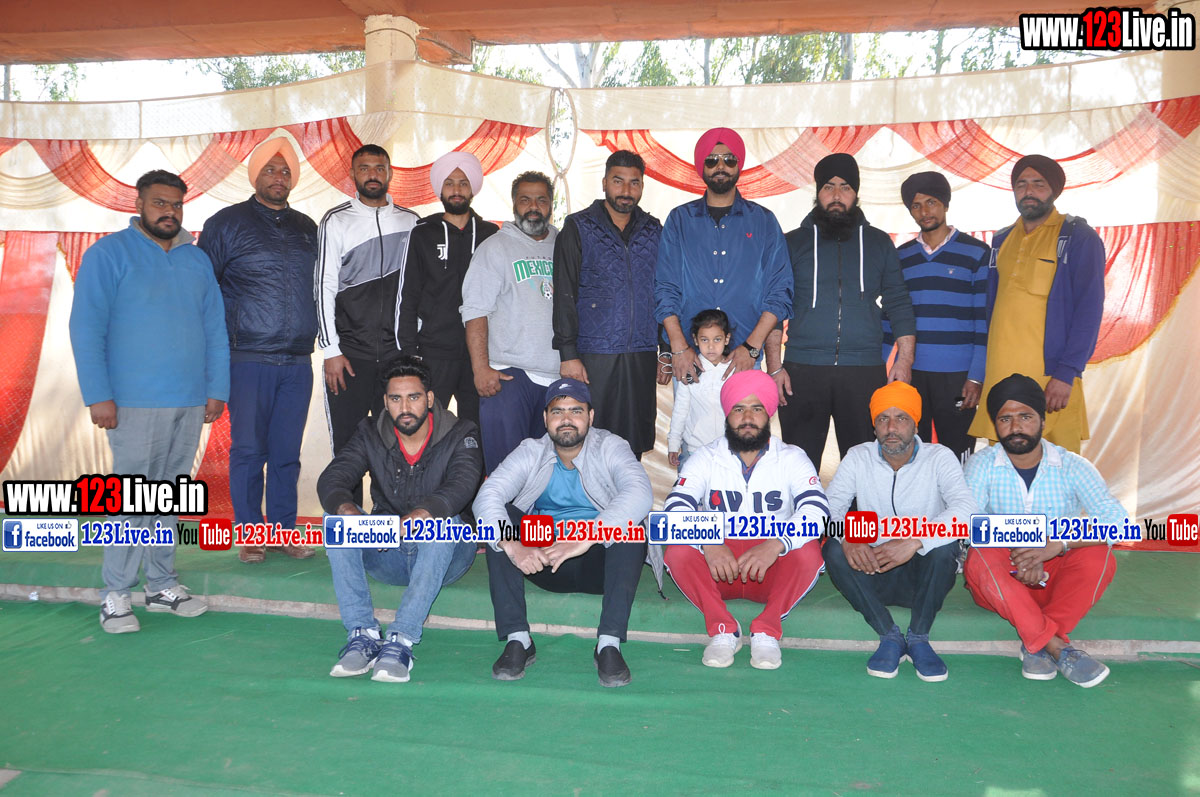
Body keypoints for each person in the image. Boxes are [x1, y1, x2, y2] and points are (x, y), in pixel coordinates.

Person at [69, 169, 229, 632]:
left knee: (168, 499)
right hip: (132, 403)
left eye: (176, 204)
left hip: (189, 401)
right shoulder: (108, 254)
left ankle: (161, 585)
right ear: (138, 204)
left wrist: (216, 389)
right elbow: (86, 328)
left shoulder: (196, 260)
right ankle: (116, 594)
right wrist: (99, 395)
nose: (169, 212)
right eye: (160, 203)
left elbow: (215, 329)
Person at [473, 378, 652, 687]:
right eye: (557, 411)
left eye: (576, 411)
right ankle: (518, 639)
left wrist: (586, 537)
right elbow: (488, 495)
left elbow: (640, 493)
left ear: (590, 417)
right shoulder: (531, 450)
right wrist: (512, 544)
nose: (566, 419)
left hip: (598, 558)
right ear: (545, 419)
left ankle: (608, 644)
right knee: (501, 520)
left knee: (631, 528)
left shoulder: (611, 446)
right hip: (543, 556)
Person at [316, 357, 481, 683]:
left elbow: (462, 484)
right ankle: (362, 633)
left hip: (446, 557)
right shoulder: (369, 432)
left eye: (413, 397)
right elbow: (333, 478)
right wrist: (347, 510)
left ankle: (401, 640)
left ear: (429, 399)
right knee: (335, 521)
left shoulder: (461, 433)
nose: (404, 407)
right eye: (395, 398)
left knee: (440, 524)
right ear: (385, 401)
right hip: (387, 553)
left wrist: (422, 514)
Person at [963, 374, 1125, 687]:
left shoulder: (1073, 465)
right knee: (980, 556)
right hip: (1004, 581)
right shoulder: (982, 464)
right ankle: (1056, 646)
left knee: (1099, 555)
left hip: (1055, 579)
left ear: (1042, 420)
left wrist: (1056, 544)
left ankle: (1035, 639)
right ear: (995, 425)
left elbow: (1118, 522)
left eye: (1025, 416)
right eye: (1005, 419)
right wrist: (1025, 550)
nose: (1015, 426)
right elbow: (969, 523)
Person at [199, 137, 318, 563]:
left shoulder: (308, 228)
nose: (278, 177)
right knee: (249, 451)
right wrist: (209, 364)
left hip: (298, 362)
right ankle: (250, 534)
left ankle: (284, 531)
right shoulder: (225, 224)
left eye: (285, 171)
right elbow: (203, 293)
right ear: (255, 175)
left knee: (287, 454)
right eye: (270, 169)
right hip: (247, 358)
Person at [663, 370, 828, 670]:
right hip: (720, 568)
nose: (748, 418)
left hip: (769, 568)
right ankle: (724, 629)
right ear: (727, 415)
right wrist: (708, 542)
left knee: (808, 552)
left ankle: (767, 630)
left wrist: (776, 544)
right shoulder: (705, 456)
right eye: (739, 409)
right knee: (678, 550)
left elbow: (817, 510)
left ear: (769, 415)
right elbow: (674, 508)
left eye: (757, 409)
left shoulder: (792, 457)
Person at [822, 381, 976, 681]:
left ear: (916, 424)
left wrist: (916, 541)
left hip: (923, 575)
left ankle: (918, 637)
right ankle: (889, 634)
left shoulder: (939, 456)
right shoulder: (858, 456)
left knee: (944, 547)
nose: (891, 428)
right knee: (834, 549)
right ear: (874, 426)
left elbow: (967, 509)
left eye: (901, 418)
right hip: (872, 568)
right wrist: (848, 536)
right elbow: (828, 508)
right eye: (883, 419)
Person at [779, 153, 917, 473]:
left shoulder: (879, 243)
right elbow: (775, 306)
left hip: (863, 371)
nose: (837, 195)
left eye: (845, 187)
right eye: (828, 187)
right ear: (817, 192)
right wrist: (775, 367)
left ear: (856, 193)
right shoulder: (792, 243)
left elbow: (898, 302)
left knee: (865, 467)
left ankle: (862, 510)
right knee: (798, 466)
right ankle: (803, 509)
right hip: (802, 370)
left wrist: (905, 360)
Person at [967, 155, 1106, 453]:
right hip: (1000, 376)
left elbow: (1089, 311)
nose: (1028, 191)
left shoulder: (1078, 236)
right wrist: (979, 375)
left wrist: (1066, 372)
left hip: (1049, 379)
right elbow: (990, 312)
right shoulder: (1001, 240)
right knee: (1003, 461)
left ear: (1054, 189)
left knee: (1058, 462)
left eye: (1038, 184)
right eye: (1021, 184)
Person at [315, 144, 420, 492]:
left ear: (389, 173)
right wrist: (331, 350)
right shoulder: (336, 220)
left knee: (397, 446)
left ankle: (389, 519)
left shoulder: (411, 222)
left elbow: (420, 290)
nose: (372, 174)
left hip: (397, 357)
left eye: (379, 167)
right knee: (348, 449)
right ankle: (350, 520)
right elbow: (324, 287)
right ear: (352, 174)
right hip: (349, 357)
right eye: (364, 168)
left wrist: (413, 349)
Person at [654, 127, 792, 388]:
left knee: (744, 416)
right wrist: (678, 347)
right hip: (690, 359)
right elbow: (665, 288)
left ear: (738, 165)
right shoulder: (680, 220)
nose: (721, 166)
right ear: (701, 166)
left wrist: (751, 348)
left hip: (744, 358)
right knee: (688, 417)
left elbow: (779, 291)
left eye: (729, 159)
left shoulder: (763, 221)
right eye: (712, 160)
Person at [553, 150, 662, 458]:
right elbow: (564, 293)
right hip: (593, 355)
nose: (626, 190)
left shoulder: (654, 230)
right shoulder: (578, 227)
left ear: (642, 186)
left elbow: (665, 291)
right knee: (591, 439)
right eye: (618, 181)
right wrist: (568, 353)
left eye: (634, 183)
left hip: (641, 352)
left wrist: (665, 349)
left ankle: (630, 491)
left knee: (633, 442)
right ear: (604, 183)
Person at [884, 171, 989, 461]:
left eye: (931, 202)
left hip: (958, 378)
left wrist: (976, 377)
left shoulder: (976, 253)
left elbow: (984, 321)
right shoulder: (901, 257)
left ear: (945, 204)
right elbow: (890, 315)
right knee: (914, 452)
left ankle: (959, 495)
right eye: (916, 206)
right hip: (913, 374)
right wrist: (881, 366)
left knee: (958, 451)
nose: (924, 211)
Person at [460, 171, 560, 473]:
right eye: (525, 200)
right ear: (514, 203)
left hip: (557, 378)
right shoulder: (495, 248)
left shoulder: (565, 245)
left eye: (541, 200)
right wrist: (480, 369)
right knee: (507, 474)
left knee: (546, 475)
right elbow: (475, 311)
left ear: (551, 204)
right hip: (508, 377)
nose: (534, 207)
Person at [396, 152, 499, 426]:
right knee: (426, 426)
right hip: (433, 352)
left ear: (473, 188)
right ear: (440, 189)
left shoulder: (491, 235)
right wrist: (410, 353)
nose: (456, 190)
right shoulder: (422, 234)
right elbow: (407, 296)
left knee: (477, 429)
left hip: (480, 354)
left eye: (463, 183)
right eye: (449, 183)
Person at [667, 309, 732, 469]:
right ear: (696, 340)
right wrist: (673, 444)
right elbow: (680, 410)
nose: (711, 346)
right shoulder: (690, 370)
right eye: (704, 340)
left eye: (717, 339)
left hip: (730, 449)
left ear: (727, 339)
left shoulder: (735, 370)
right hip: (696, 449)